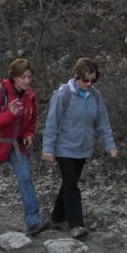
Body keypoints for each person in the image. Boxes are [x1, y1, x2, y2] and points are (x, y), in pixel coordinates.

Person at [0, 58, 51, 235]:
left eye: (29, 77)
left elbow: (31, 120)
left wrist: (29, 134)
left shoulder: (30, 96)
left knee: (25, 179)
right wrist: (10, 115)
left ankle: (33, 221)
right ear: (14, 77)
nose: (27, 81)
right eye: (23, 77)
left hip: (17, 147)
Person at [42, 57, 119, 240]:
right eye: (86, 80)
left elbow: (102, 122)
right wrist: (48, 149)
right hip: (64, 148)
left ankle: (57, 217)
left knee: (69, 183)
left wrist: (110, 145)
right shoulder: (63, 95)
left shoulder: (95, 96)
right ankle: (76, 225)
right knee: (72, 186)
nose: (89, 84)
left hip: (83, 149)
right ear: (77, 77)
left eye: (93, 80)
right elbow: (52, 124)